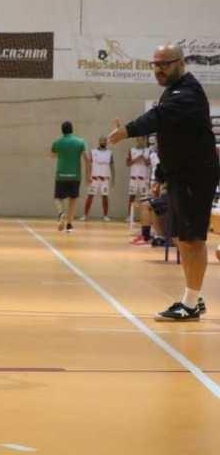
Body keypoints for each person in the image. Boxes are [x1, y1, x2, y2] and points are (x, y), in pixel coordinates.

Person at [108, 43, 218, 321]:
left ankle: (191, 305)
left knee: (192, 241)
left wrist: (127, 130)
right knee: (184, 239)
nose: (158, 69)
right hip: (181, 174)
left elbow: (157, 119)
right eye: (155, 64)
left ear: (180, 63)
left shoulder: (187, 93)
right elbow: (174, 139)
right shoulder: (173, 91)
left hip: (196, 175)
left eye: (164, 64)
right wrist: (162, 177)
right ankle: (193, 298)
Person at [51, 121, 89, 233]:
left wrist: (62, 153)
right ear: (72, 129)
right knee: (73, 200)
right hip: (75, 176)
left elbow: (52, 155)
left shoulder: (57, 142)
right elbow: (87, 159)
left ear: (62, 130)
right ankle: (69, 225)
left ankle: (61, 213)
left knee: (58, 198)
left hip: (61, 175)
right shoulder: (80, 142)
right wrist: (88, 175)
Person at [81, 136, 114, 221]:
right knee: (90, 196)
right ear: (99, 142)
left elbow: (112, 166)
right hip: (94, 178)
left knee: (105, 197)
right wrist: (87, 176)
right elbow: (88, 165)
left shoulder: (109, 153)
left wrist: (113, 179)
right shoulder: (93, 152)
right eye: (101, 140)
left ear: (106, 142)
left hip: (105, 179)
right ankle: (85, 215)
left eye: (104, 140)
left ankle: (105, 215)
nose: (103, 142)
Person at [126, 136, 151, 222]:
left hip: (144, 178)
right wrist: (136, 159)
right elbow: (128, 163)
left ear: (144, 140)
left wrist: (143, 158)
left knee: (144, 199)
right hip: (134, 178)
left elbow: (149, 163)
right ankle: (129, 216)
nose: (140, 141)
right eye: (139, 139)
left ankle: (144, 217)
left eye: (142, 139)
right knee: (131, 197)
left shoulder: (148, 150)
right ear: (136, 140)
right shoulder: (131, 150)